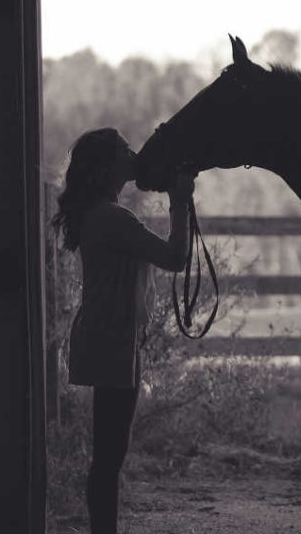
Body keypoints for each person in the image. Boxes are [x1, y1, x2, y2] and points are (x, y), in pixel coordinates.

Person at [49, 127, 191, 534]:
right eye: (125, 151)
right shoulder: (113, 219)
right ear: (108, 166)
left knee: (109, 454)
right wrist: (180, 201)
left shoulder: (99, 215)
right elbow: (176, 257)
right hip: (113, 338)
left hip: (108, 335)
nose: (133, 155)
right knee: (110, 456)